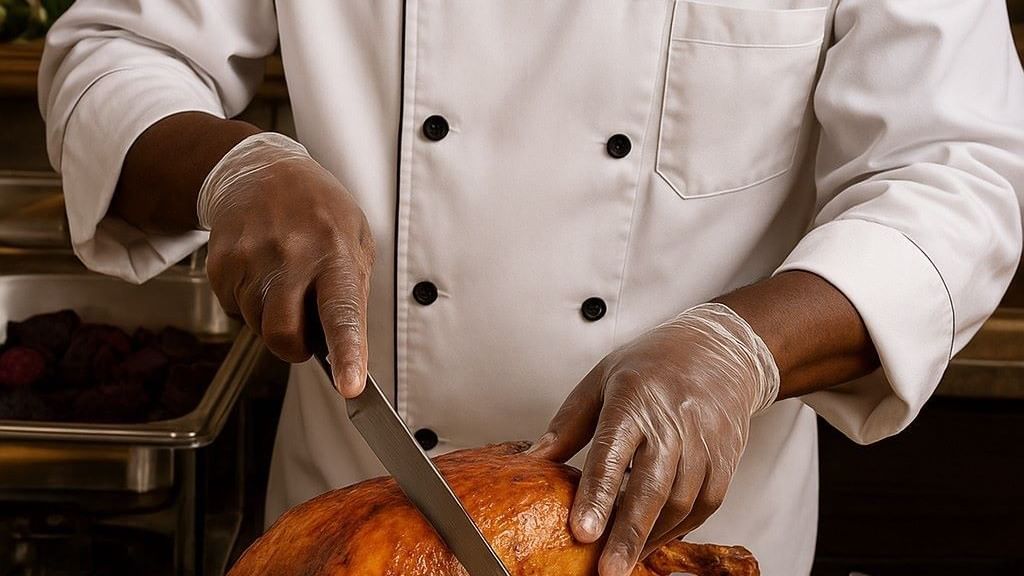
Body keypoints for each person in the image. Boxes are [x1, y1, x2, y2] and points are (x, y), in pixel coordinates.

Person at [38, 1, 1024, 574]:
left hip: (686, 539)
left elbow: (957, 170)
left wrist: (743, 346)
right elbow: (114, 49)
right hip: (353, 526)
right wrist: (233, 168)